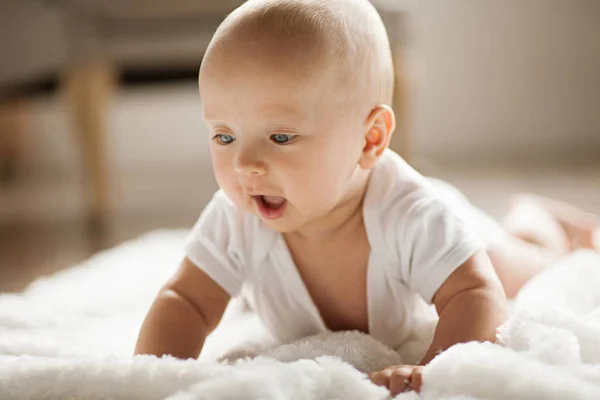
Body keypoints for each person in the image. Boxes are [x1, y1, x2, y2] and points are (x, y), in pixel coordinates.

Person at [134, 0, 599, 395]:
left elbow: (475, 294)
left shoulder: (412, 215)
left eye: (279, 137)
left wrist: (431, 370)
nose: (244, 166)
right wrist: (152, 375)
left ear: (370, 139)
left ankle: (540, 219)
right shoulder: (236, 216)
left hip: (465, 232)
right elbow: (185, 300)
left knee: (526, 269)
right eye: (224, 136)